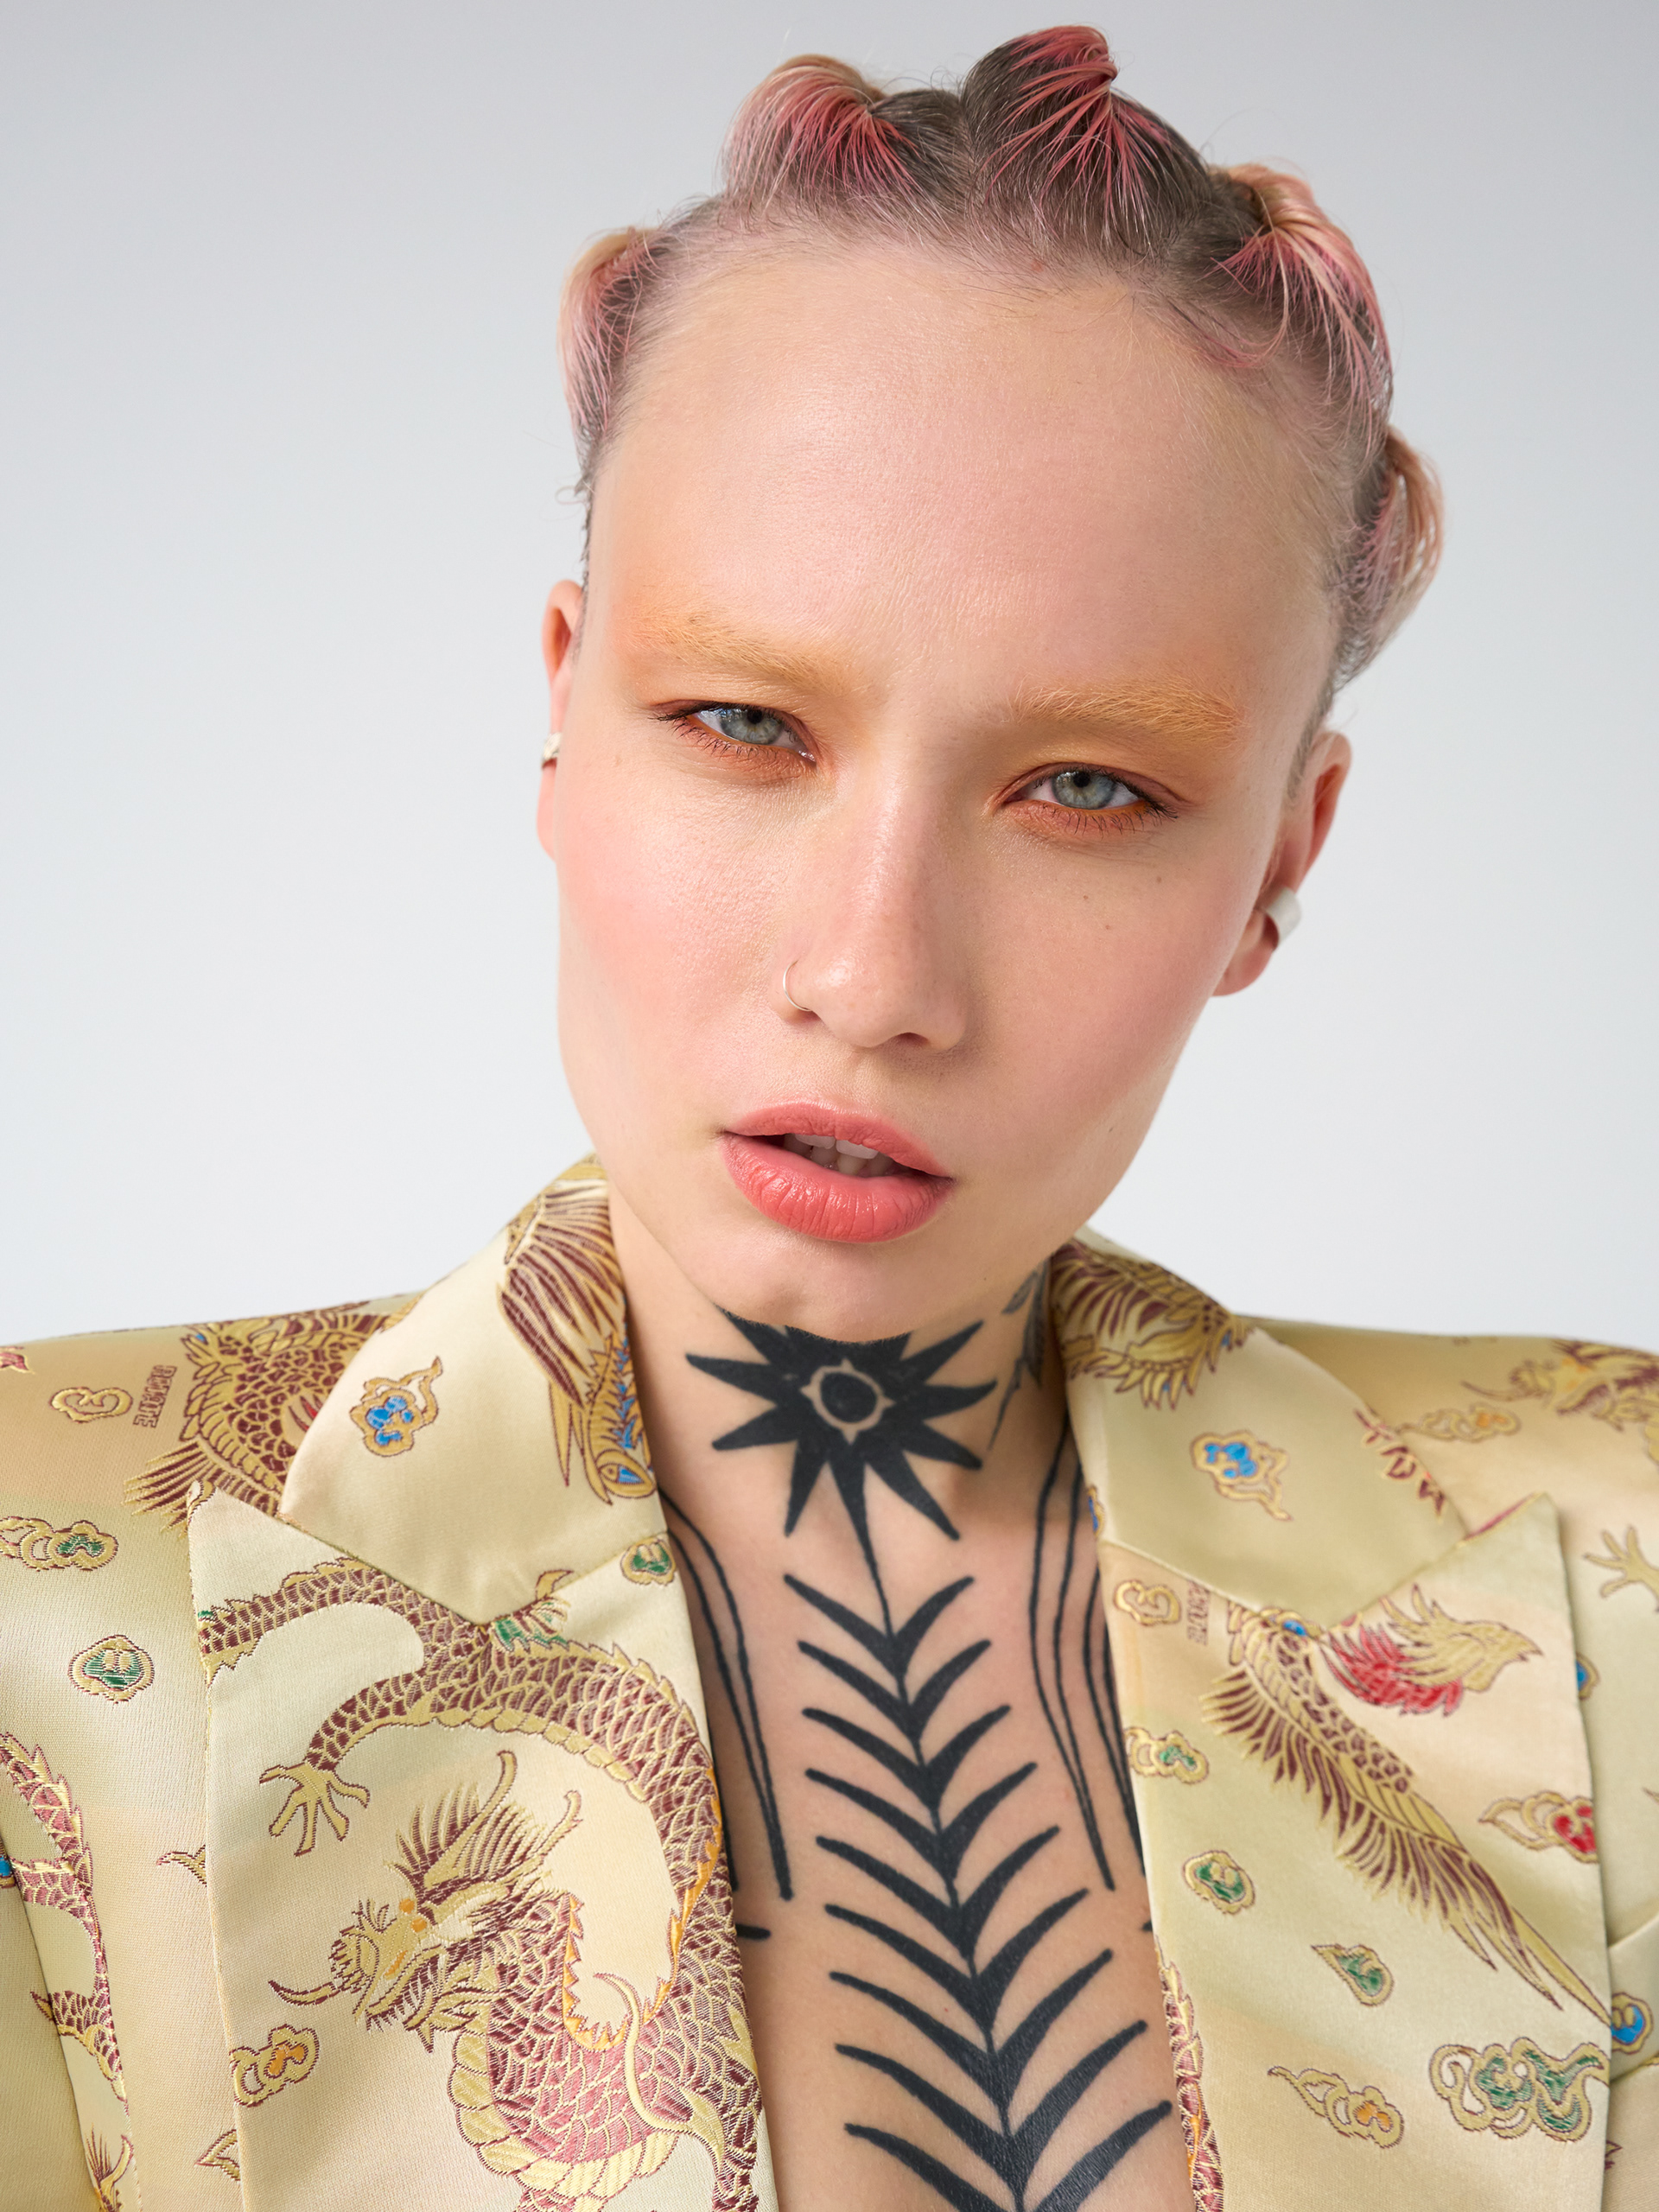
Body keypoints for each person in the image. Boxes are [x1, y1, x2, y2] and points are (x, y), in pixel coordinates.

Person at [0, 25, 1651, 2211]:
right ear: (566, 712)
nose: (872, 976)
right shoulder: (40, 1573)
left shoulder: (1620, 1562)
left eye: (1089, 788)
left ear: (1282, 855)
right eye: (743, 722)